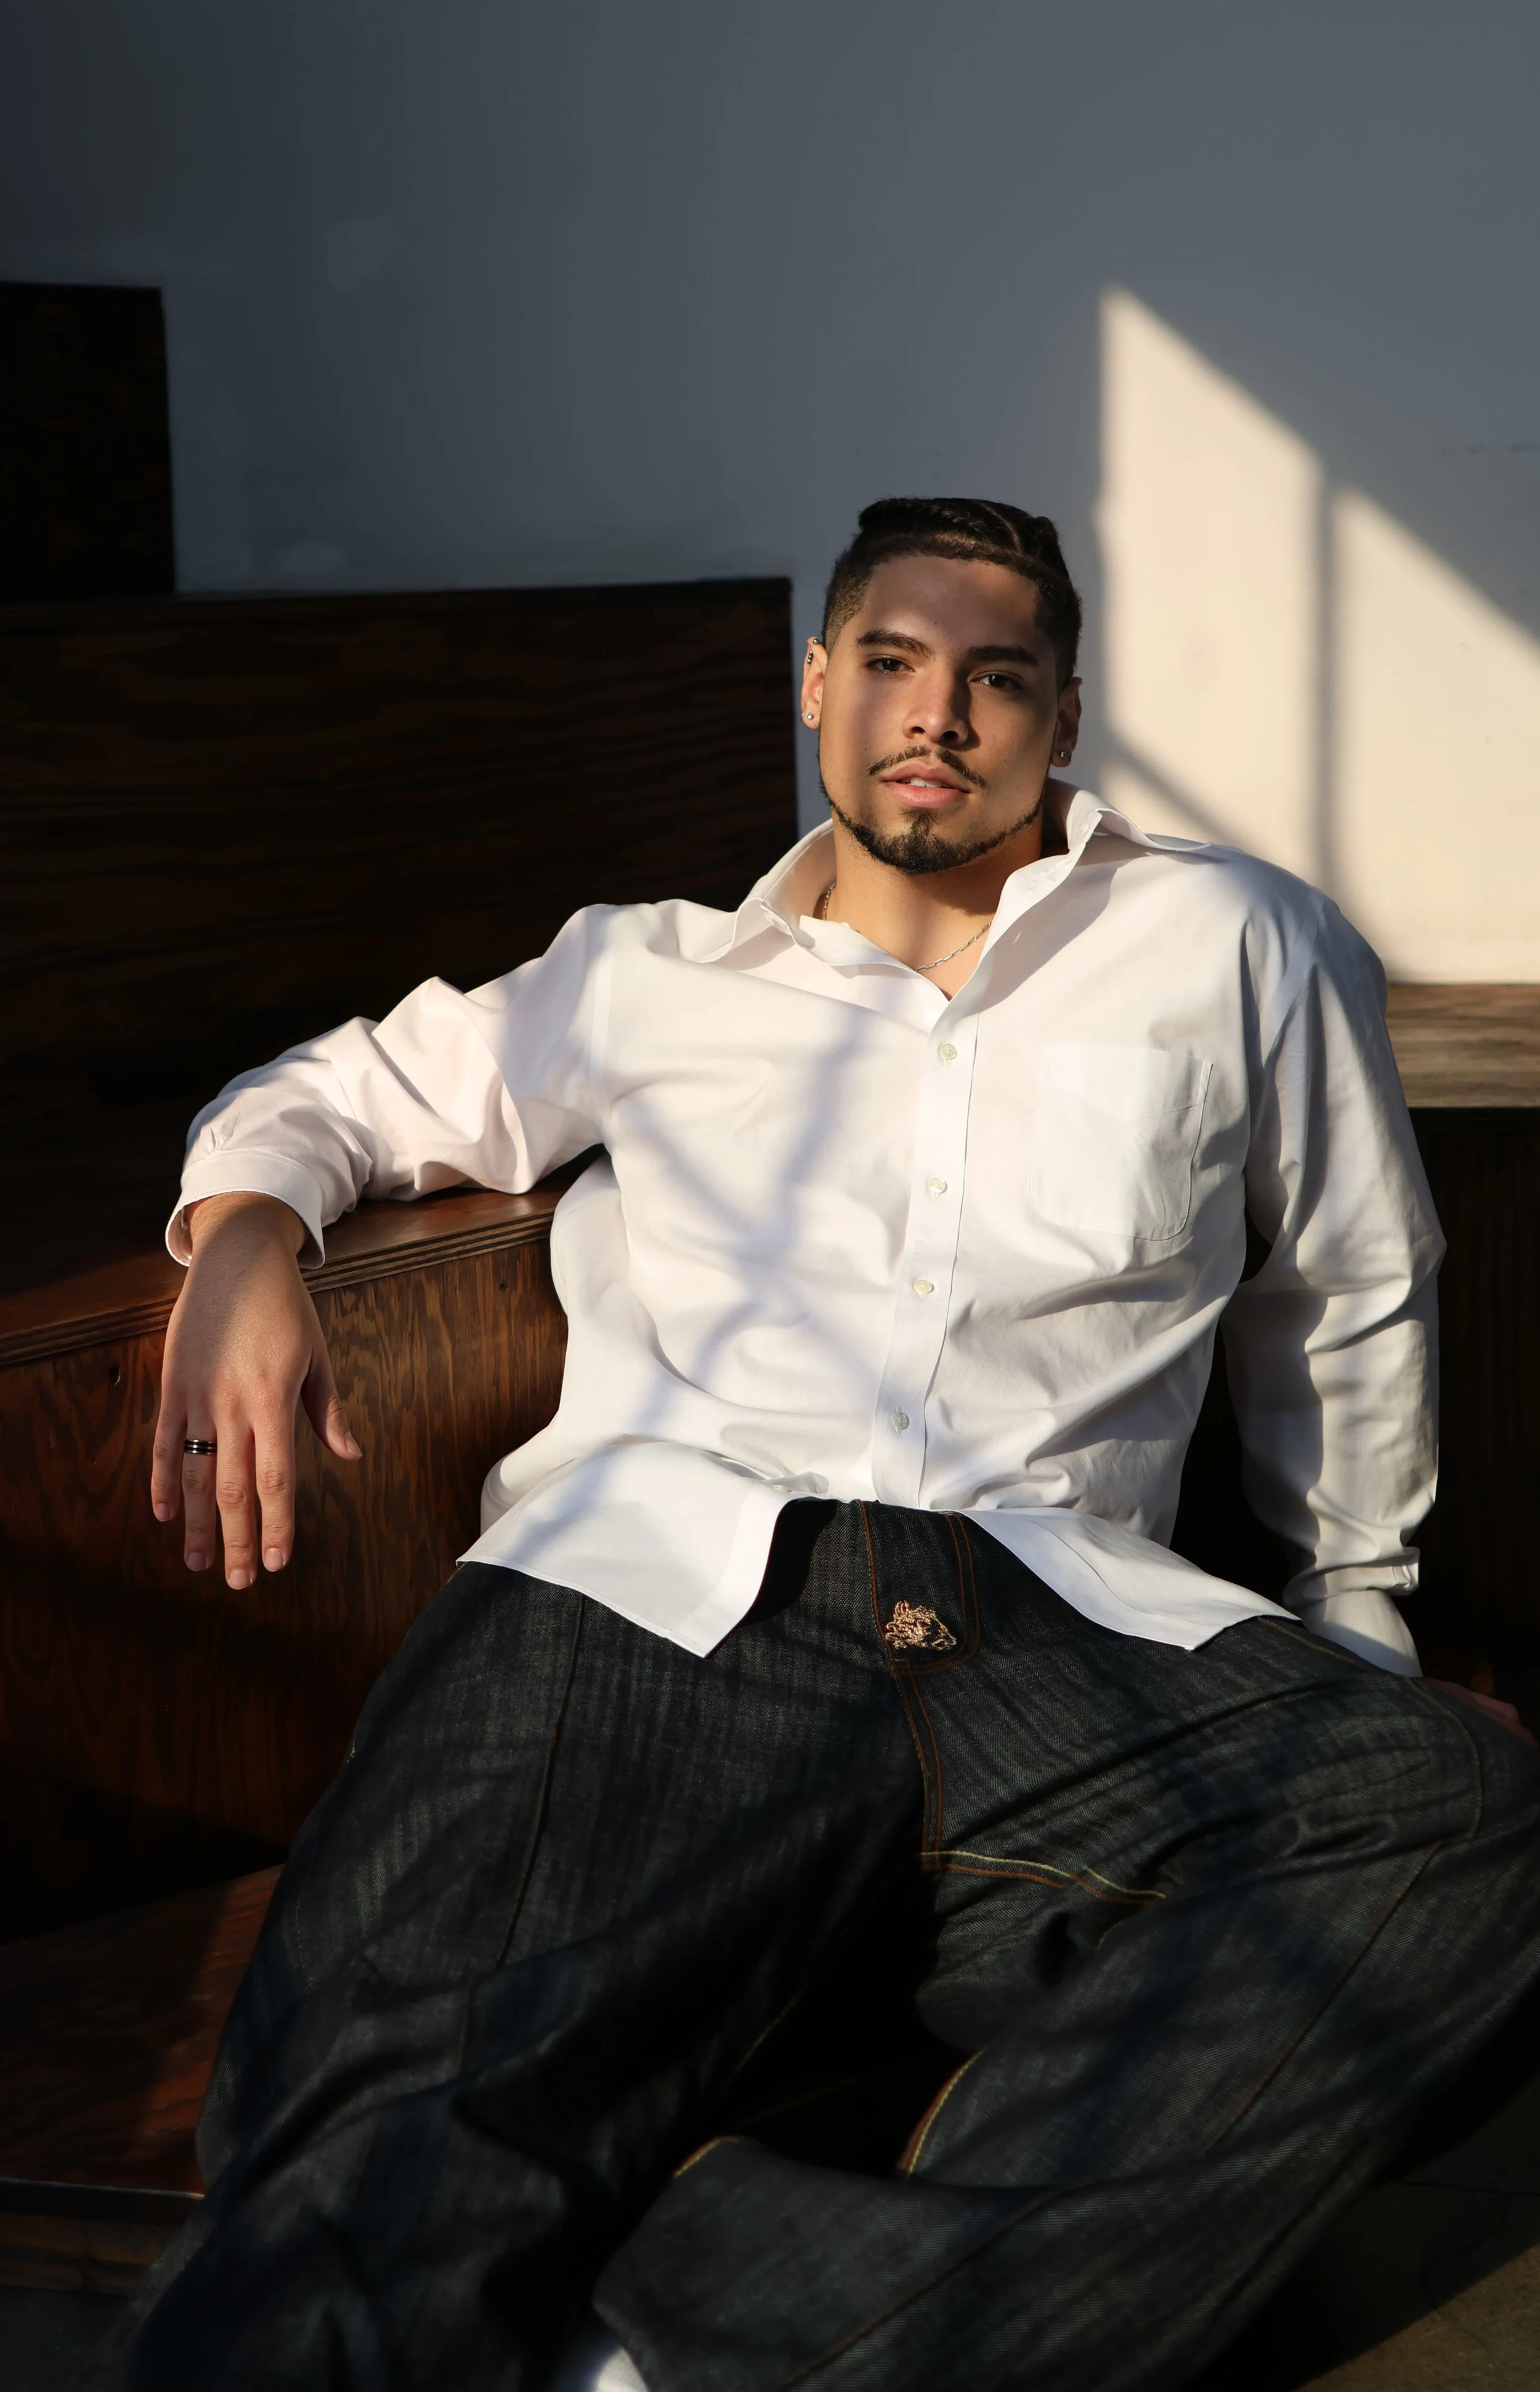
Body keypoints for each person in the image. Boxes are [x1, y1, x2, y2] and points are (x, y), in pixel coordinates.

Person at [129, 498, 1540, 2392]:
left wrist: (1350, 1623)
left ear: (1059, 714)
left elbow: (1352, 1292)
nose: (933, 714)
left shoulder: (1236, 940)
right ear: (817, 683)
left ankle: (724, 2360)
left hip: (1065, 1626)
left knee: (1457, 1815)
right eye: (887, 660)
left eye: (993, 678)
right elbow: (337, 1094)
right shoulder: (648, 973)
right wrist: (244, 1238)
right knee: (374, 2110)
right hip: (650, 1601)